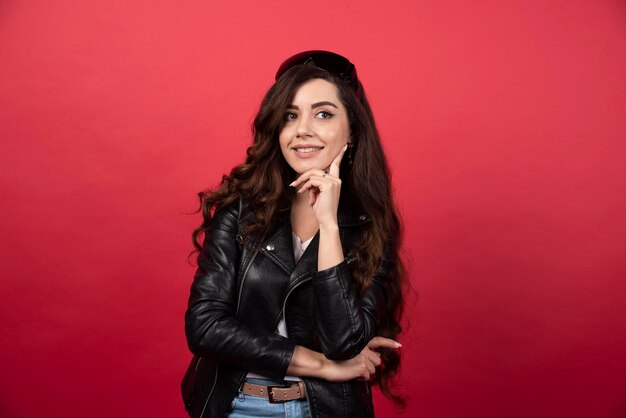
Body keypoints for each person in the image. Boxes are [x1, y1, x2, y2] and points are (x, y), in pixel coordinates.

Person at [182, 50, 407, 418]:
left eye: (323, 113)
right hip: (238, 406)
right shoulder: (241, 208)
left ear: (352, 129)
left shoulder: (372, 222)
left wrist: (330, 225)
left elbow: (344, 343)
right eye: (290, 115)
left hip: (327, 410)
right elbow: (205, 326)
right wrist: (325, 367)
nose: (303, 129)